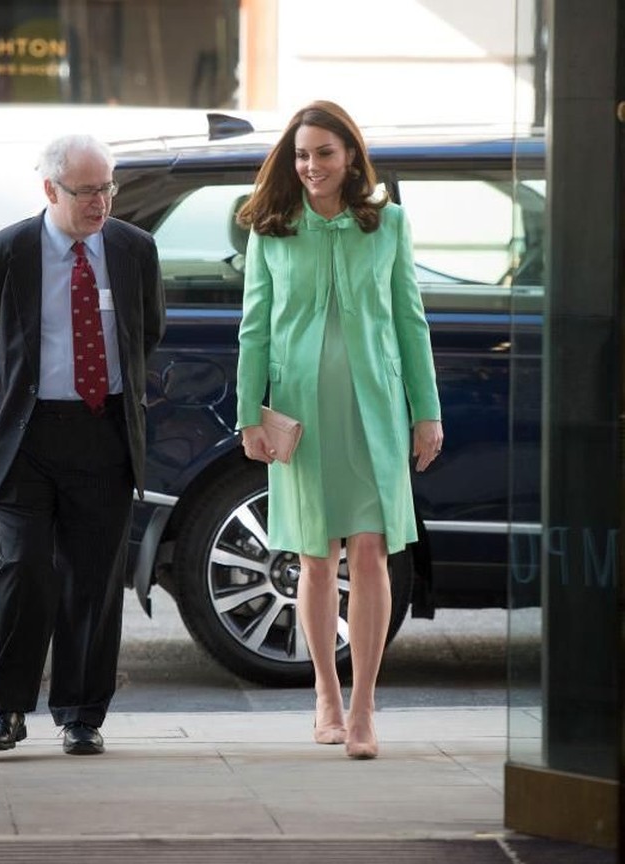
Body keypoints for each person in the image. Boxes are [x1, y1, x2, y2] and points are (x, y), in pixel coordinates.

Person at [236, 101, 443, 760]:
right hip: (301, 416)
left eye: (325, 152)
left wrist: (426, 410)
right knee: (316, 561)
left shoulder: (389, 226)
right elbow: (254, 329)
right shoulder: (272, 230)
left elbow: (411, 322)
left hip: (374, 410)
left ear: (351, 156)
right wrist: (248, 414)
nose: (312, 165)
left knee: (373, 554)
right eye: (302, 154)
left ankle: (363, 710)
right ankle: (325, 694)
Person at [0, 134, 165, 755]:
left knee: (93, 578)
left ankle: (82, 714)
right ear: (51, 189)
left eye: (108, 188)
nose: (102, 203)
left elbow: (147, 331)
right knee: (24, 567)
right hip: (25, 436)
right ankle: (7, 710)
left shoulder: (136, 251)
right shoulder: (2, 254)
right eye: (87, 191)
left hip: (103, 432)